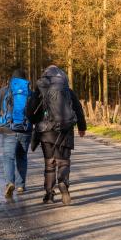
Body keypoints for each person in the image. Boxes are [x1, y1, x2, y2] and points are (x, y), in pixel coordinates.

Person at [27, 65, 86, 205]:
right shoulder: (68, 91)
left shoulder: (41, 90)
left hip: (46, 132)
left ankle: (49, 194)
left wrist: (36, 123)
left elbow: (30, 111)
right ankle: (63, 184)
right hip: (66, 130)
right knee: (64, 161)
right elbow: (78, 109)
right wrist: (82, 127)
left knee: (50, 163)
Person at [0, 68, 33, 199]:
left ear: (11, 80)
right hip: (25, 129)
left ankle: (10, 183)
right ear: (25, 79)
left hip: (8, 129)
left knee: (9, 157)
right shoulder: (30, 92)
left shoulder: (3, 91)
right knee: (22, 156)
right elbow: (35, 111)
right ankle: (20, 185)